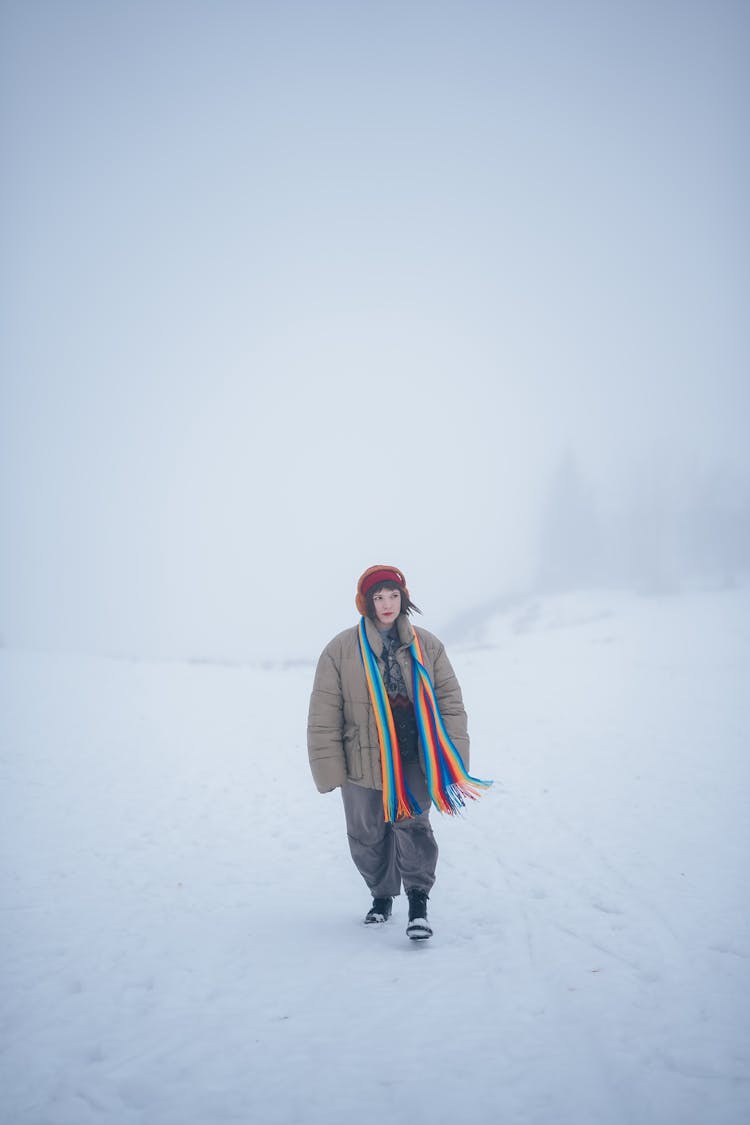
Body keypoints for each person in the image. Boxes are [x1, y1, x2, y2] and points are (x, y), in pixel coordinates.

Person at [307, 564, 488, 941]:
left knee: (414, 828)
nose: (387, 604)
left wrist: (453, 755)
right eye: (378, 597)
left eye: (393, 595)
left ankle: (418, 902)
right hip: (361, 761)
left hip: (412, 759)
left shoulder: (427, 645)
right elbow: (324, 715)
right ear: (366, 603)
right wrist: (329, 769)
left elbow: (450, 703)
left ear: (403, 598)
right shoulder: (340, 650)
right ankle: (381, 895)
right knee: (367, 835)